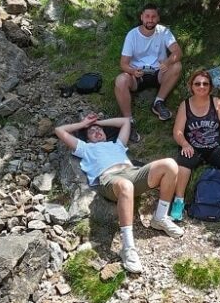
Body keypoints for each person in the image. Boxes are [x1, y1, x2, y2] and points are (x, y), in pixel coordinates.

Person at [55, 114, 184, 274]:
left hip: (132, 172)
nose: (96, 131)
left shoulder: (117, 144)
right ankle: (128, 247)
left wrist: (97, 122)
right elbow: (59, 130)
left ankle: (160, 218)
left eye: (99, 130)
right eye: (92, 131)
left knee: (170, 164)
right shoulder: (85, 148)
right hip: (110, 179)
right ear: (87, 138)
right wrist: (84, 124)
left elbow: (125, 121)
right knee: (126, 186)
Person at [170, 69, 220, 223]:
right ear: (191, 86)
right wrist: (185, 144)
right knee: (184, 163)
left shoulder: (216, 103)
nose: (201, 86)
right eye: (197, 83)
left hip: (215, 147)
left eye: (205, 83)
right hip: (193, 147)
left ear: (210, 86)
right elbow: (178, 131)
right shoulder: (185, 105)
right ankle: (178, 202)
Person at [114, 2, 182, 142]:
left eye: (153, 17)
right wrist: (132, 71)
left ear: (158, 18)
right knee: (120, 80)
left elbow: (177, 52)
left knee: (177, 66)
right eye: (147, 16)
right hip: (138, 75)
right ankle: (128, 121)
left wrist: (167, 62)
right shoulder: (132, 35)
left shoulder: (163, 31)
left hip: (159, 72)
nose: (150, 20)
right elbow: (123, 64)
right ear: (141, 17)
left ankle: (158, 102)